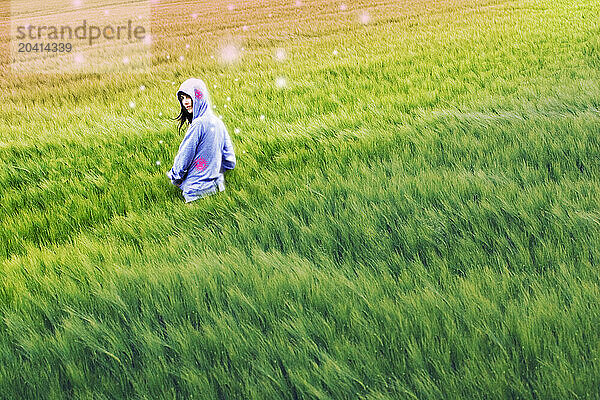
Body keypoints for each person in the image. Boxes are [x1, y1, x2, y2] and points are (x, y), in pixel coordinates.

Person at [167, 78, 236, 203]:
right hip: (217, 189)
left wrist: (175, 178)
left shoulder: (198, 124)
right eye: (182, 98)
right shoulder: (218, 122)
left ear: (199, 96)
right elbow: (230, 160)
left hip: (195, 192)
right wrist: (212, 171)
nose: (185, 102)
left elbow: (184, 157)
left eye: (188, 97)